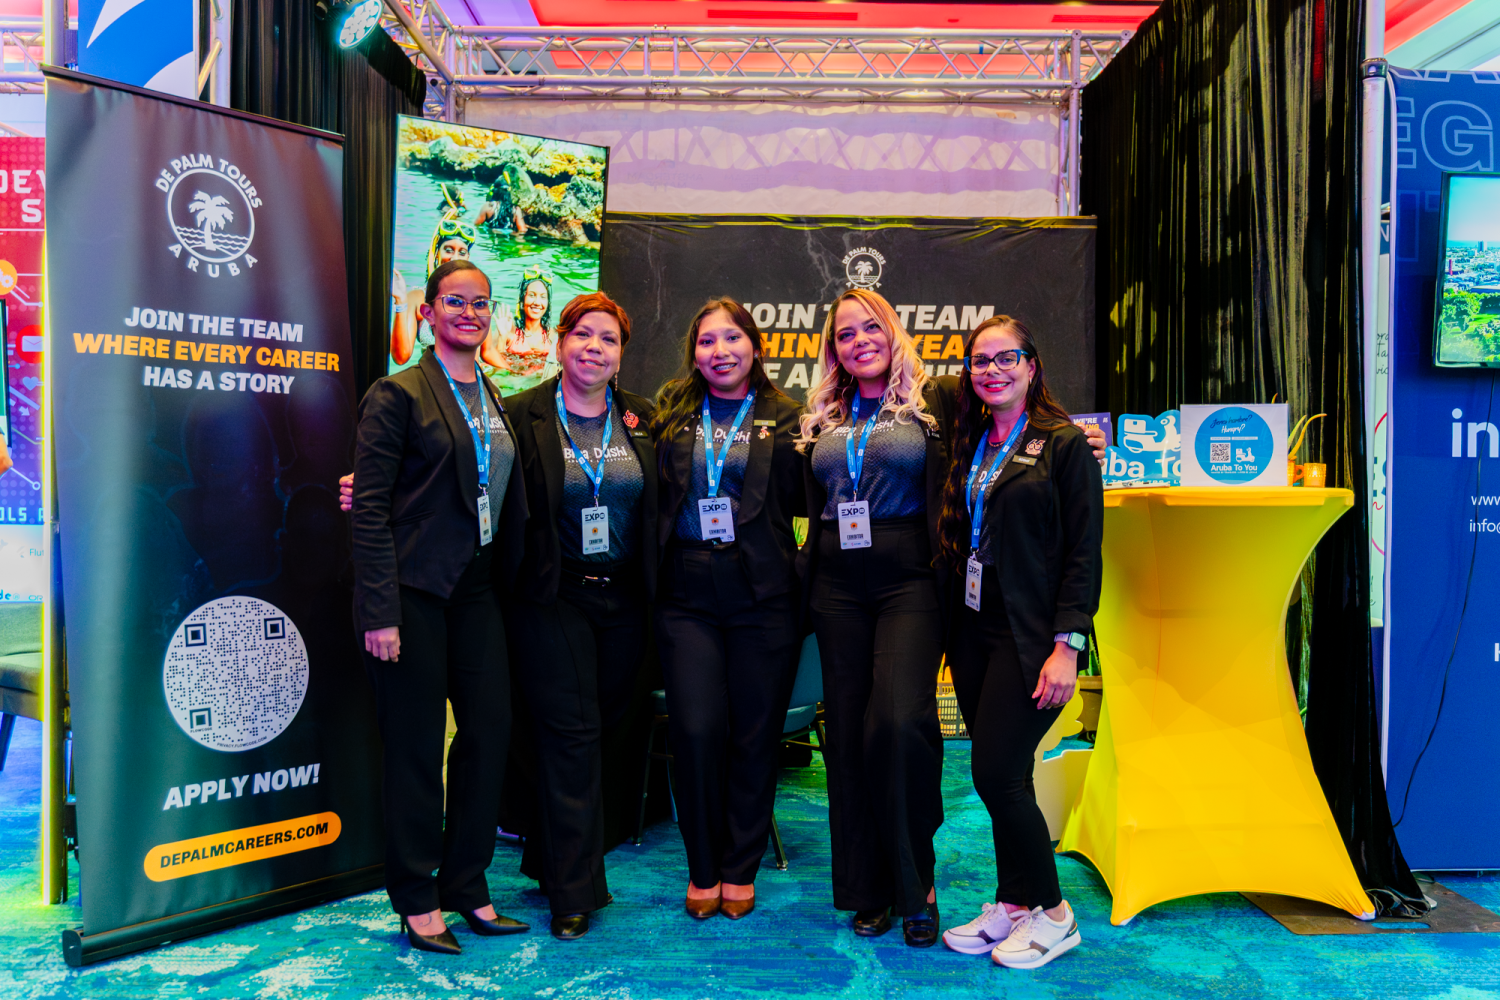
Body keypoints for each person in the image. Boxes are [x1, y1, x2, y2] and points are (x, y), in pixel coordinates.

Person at [351, 259, 531, 955]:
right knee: (418, 749)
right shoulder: (397, 395)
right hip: (414, 596)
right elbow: (368, 509)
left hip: (479, 592)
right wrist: (379, 612)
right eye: (454, 301)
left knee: (488, 736)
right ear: (426, 313)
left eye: (481, 303)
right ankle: (416, 896)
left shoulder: (491, 394)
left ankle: (469, 884)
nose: (469, 312)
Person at [934, 315, 1102, 970]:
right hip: (974, 630)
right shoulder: (969, 439)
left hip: (1031, 639)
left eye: (1008, 358)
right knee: (1007, 776)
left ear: (1032, 366)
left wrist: (1069, 645)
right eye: (980, 361)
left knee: (996, 773)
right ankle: (1012, 903)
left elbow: (1084, 555)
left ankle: (1056, 915)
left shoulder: (1062, 445)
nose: (993, 370)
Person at [795, 288, 956, 948]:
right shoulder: (821, 418)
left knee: (899, 721)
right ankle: (867, 888)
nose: (857, 340)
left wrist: (1075, 435)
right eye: (843, 334)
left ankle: (915, 878)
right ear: (832, 350)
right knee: (852, 737)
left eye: (869, 328)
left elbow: (1015, 417)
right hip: (838, 579)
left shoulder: (934, 402)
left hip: (909, 574)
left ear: (892, 331)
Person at [504, 291, 658, 941]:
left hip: (625, 599)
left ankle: (549, 856)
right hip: (553, 595)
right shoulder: (521, 415)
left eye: (608, 339)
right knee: (571, 731)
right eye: (582, 335)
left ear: (621, 355)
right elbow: (464, 472)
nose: (595, 348)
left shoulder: (642, 420)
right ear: (560, 343)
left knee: (611, 734)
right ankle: (576, 890)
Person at [651, 298, 804, 921]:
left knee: (754, 733)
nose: (721, 351)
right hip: (686, 591)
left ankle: (740, 867)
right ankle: (702, 867)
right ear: (694, 354)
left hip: (761, 592)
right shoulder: (669, 415)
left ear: (755, 346)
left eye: (732, 338)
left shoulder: (789, 417)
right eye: (708, 341)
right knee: (695, 730)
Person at [489, 270, 558, 390]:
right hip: (512, 383)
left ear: (547, 303)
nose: (537, 302)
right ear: (522, 300)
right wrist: (502, 338)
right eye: (531, 295)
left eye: (543, 297)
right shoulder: (509, 332)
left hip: (541, 386)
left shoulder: (553, 336)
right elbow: (496, 368)